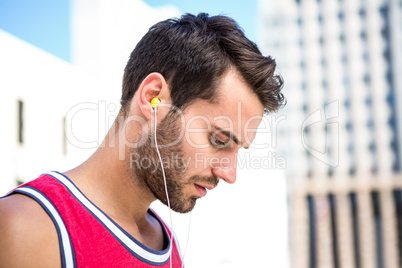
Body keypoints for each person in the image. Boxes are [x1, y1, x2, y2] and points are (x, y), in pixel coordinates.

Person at [0, 13, 284, 267]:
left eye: (239, 150)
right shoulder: (27, 227)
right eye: (220, 140)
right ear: (153, 98)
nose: (229, 174)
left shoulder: (166, 244)